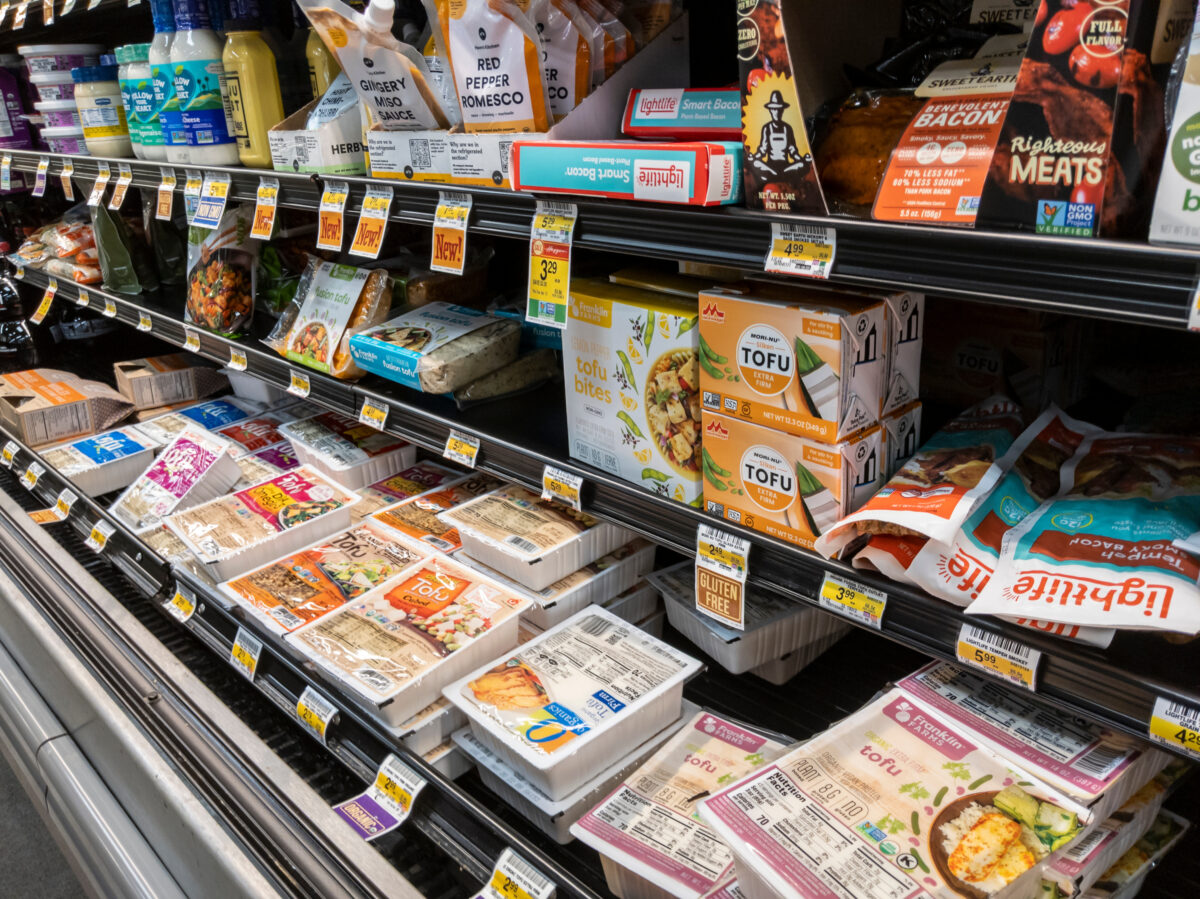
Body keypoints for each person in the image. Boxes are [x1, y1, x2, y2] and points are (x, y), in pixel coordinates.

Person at [750, 89, 807, 176]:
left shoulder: (787, 128)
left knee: (802, 165)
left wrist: (801, 159)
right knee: (755, 163)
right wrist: (754, 157)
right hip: (770, 166)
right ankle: (777, 174)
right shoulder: (766, 128)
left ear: (782, 110)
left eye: (779, 109)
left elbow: (792, 151)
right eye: (774, 109)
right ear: (770, 110)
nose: (776, 112)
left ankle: (779, 174)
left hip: (786, 166)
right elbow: (762, 150)